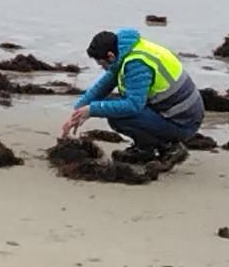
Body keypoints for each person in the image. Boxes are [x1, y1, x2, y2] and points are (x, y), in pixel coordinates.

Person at [62, 28, 204, 165]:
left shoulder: (137, 64)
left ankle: (168, 148)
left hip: (183, 122)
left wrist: (92, 110)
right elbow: (102, 86)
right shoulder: (126, 50)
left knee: (118, 117)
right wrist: (77, 112)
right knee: (111, 105)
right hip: (176, 113)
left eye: (102, 64)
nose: (103, 68)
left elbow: (133, 106)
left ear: (110, 56)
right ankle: (145, 148)